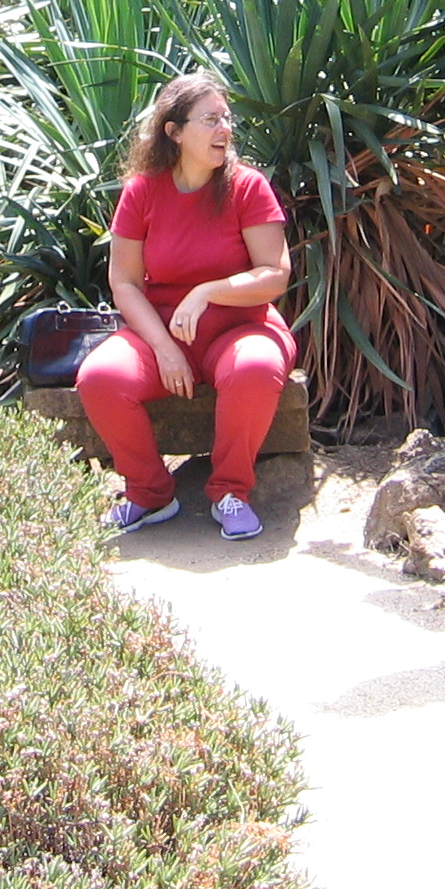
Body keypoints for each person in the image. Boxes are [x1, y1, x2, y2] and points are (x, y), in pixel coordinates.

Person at [78, 71, 295, 540]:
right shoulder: (141, 190)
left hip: (242, 328)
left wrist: (206, 292)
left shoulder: (248, 187)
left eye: (227, 118)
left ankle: (231, 491)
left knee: (255, 367)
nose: (225, 129)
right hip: (161, 332)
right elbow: (124, 282)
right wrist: (164, 348)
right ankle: (149, 493)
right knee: (100, 377)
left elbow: (274, 274)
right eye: (211, 120)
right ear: (174, 132)